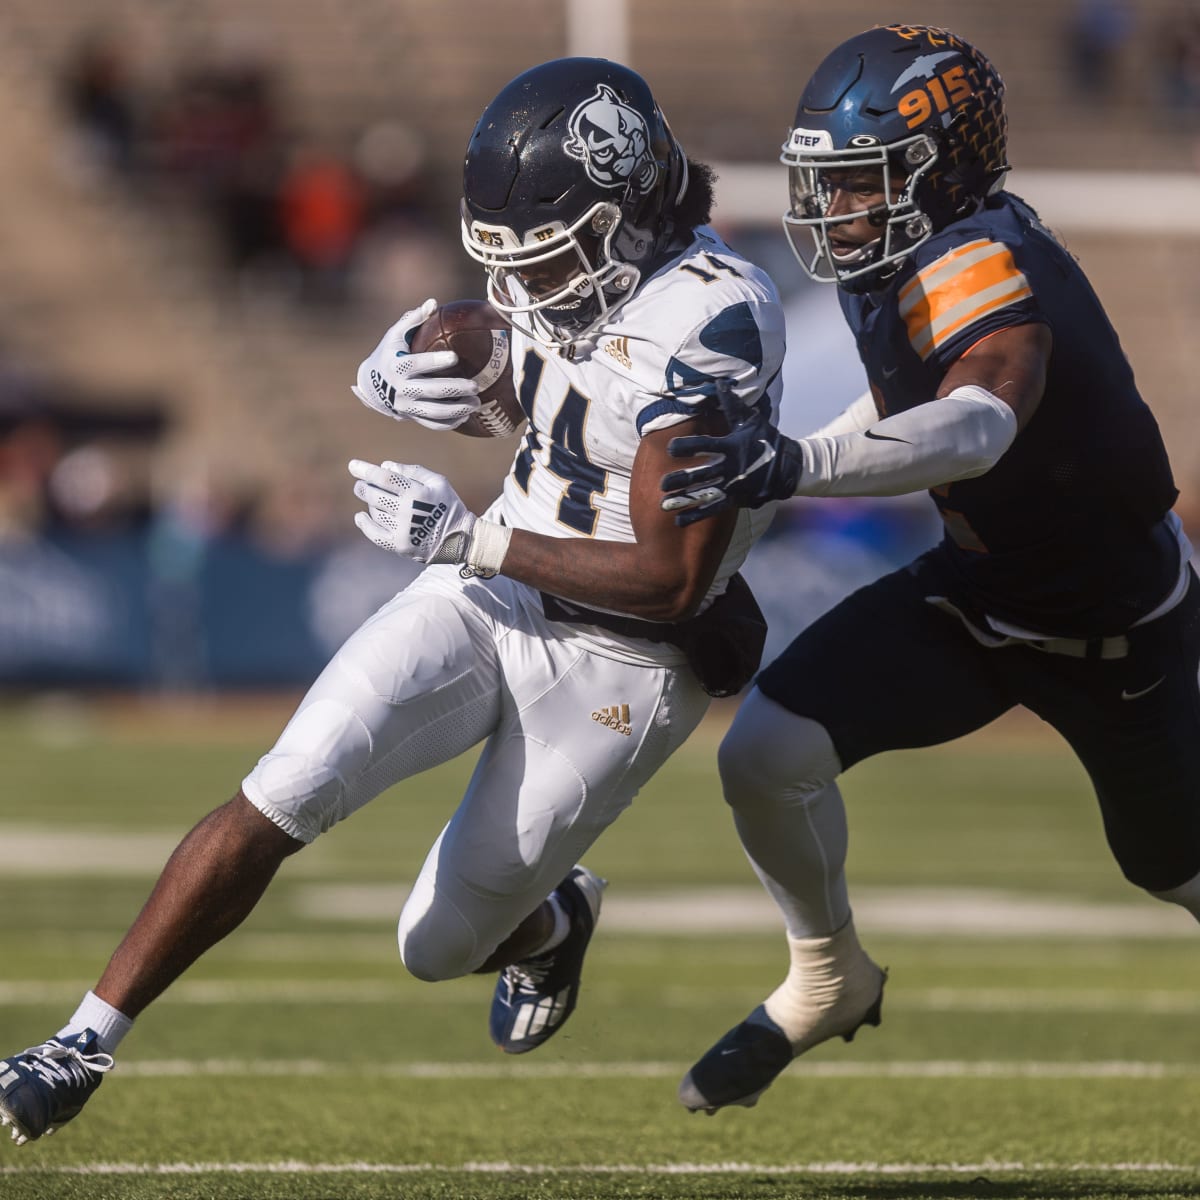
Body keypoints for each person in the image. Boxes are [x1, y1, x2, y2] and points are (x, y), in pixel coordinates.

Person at [0, 58, 784, 1145]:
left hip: (630, 657)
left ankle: (551, 922)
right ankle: (83, 1037)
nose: (528, 287)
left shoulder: (717, 320)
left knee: (437, 945)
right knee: (291, 782)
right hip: (490, 594)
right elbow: (530, 373)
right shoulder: (589, 279)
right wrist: (411, 360)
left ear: (627, 213)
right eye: (512, 260)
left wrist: (474, 534)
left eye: (551, 257)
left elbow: (670, 574)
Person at [659, 23, 1200, 1115]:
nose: (837, 209)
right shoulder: (908, 256)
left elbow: (979, 421)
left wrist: (795, 463)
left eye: (862, 183)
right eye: (832, 183)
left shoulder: (976, 252)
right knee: (767, 753)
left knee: (1177, 870)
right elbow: (913, 404)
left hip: (1119, 628)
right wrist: (767, 492)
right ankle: (826, 978)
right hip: (983, 596)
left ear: (944, 167)